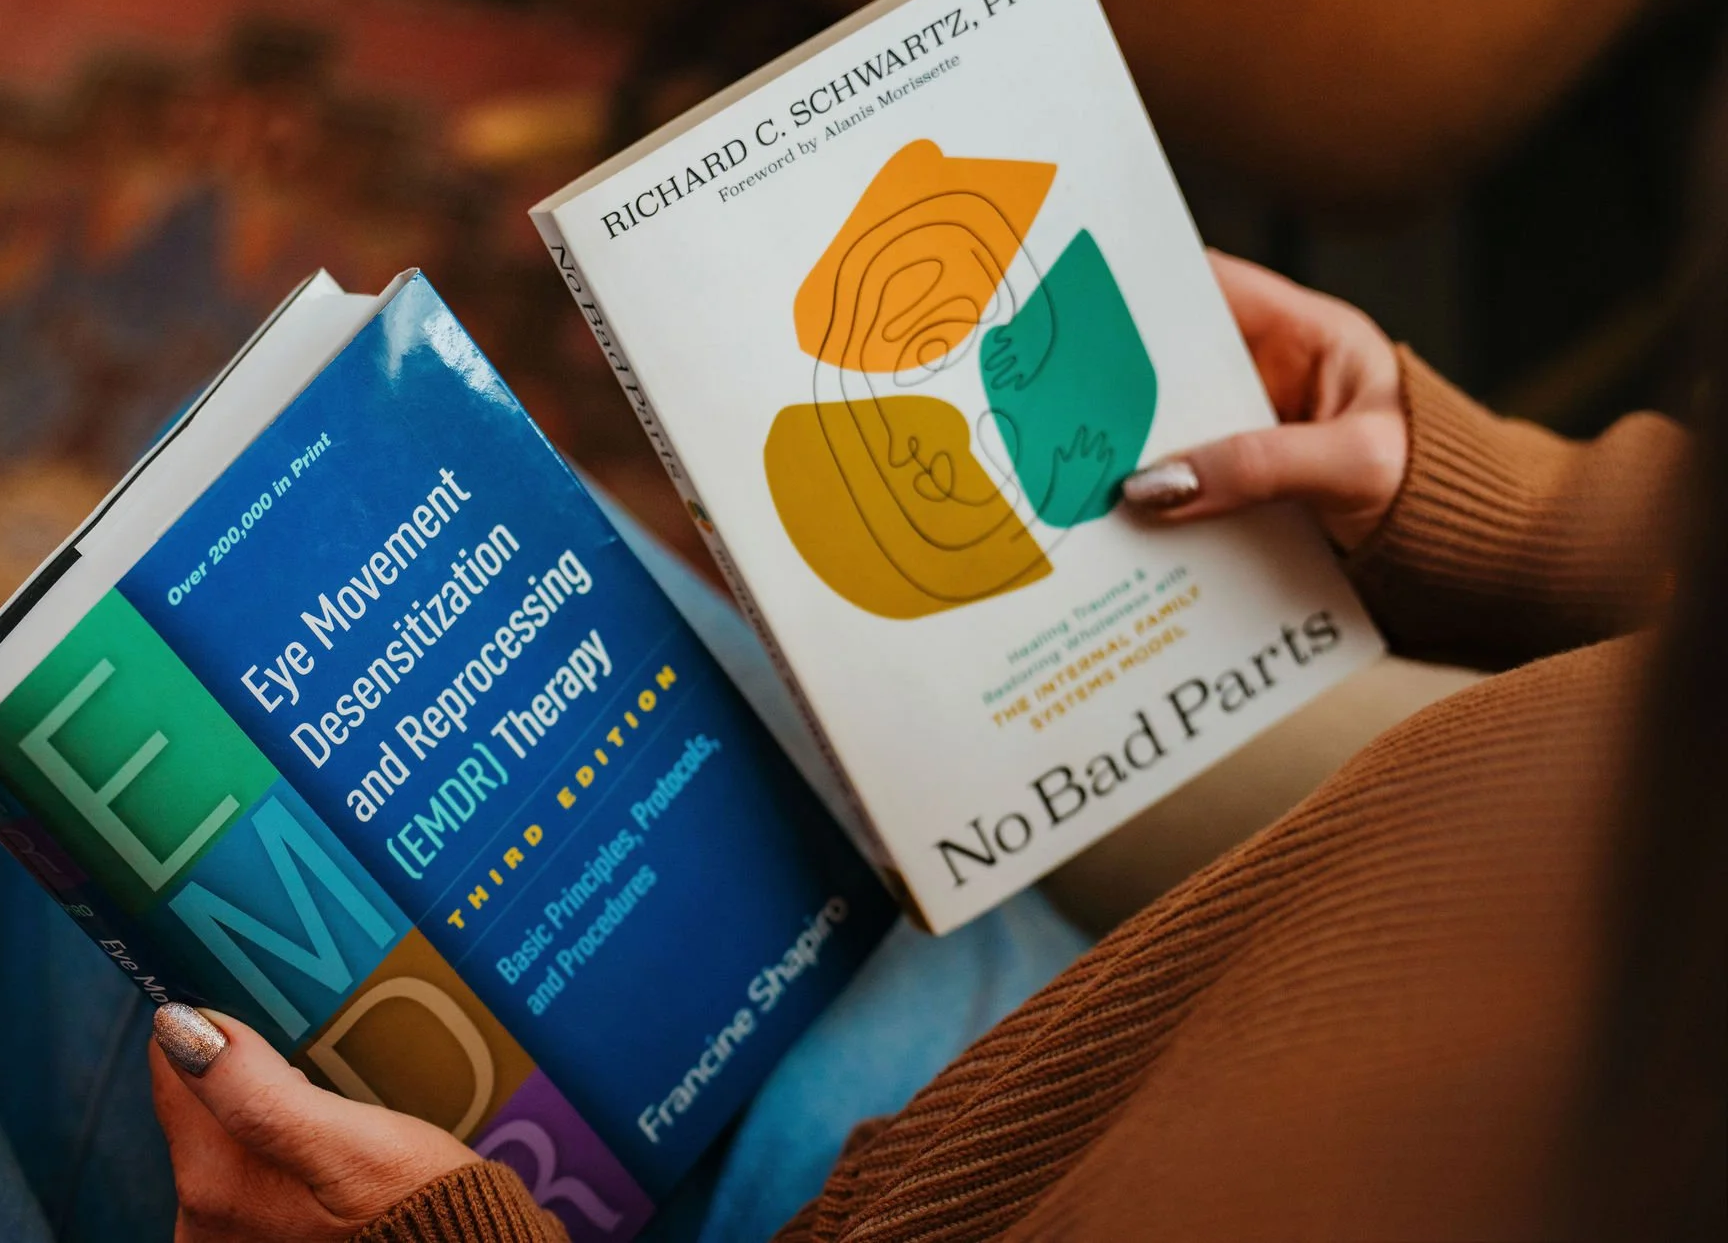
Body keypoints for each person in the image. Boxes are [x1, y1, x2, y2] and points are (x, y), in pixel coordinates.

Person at [135, 249, 1723, 1240]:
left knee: (155, 850)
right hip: (1150, 1018)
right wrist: (1544, 517)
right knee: (235, 560)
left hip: (932, 1178)